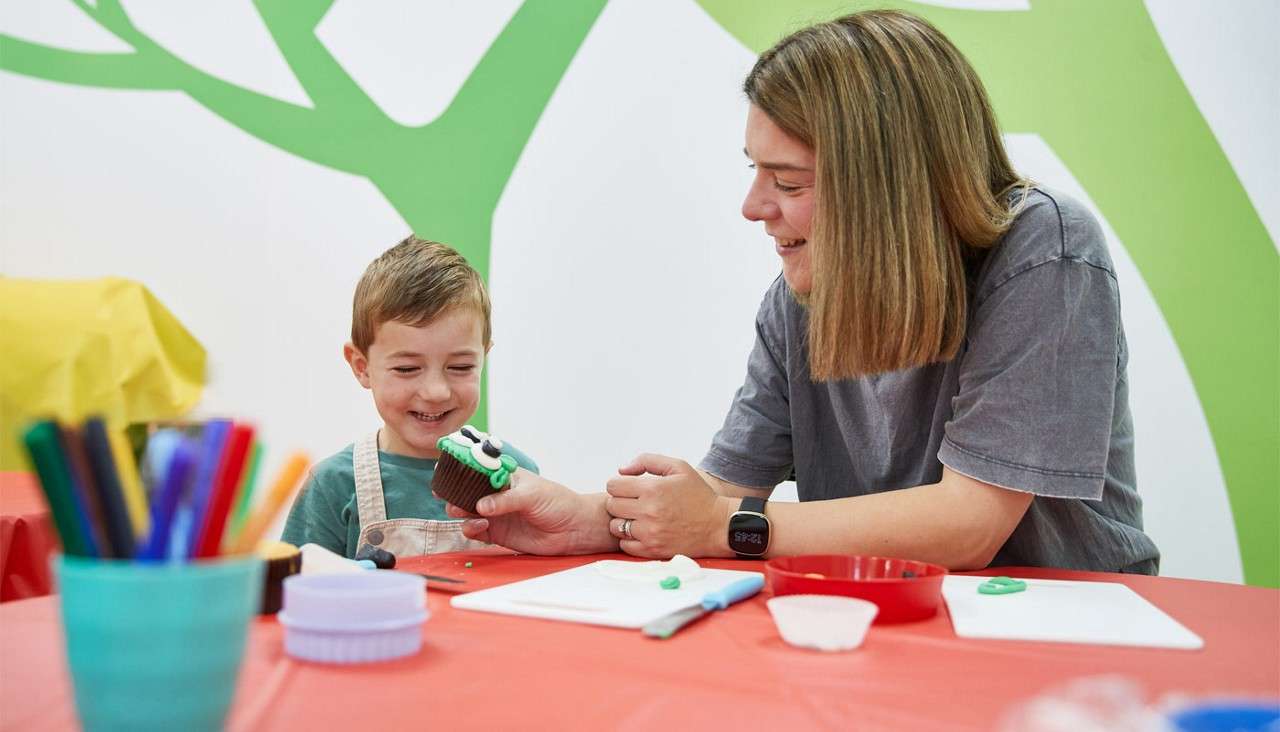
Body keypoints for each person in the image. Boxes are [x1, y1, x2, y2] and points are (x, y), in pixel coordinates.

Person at [447, 10, 1158, 573]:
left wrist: (730, 529)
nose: (753, 207)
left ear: (890, 190)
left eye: (788, 182)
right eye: (758, 172)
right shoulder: (795, 303)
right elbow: (725, 494)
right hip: (889, 625)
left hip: (1066, 634)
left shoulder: (1044, 248)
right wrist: (584, 517)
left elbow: (969, 525)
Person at [282, 236, 537, 558]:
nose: (436, 392)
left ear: (484, 358)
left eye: (460, 366)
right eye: (406, 368)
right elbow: (292, 595)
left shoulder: (519, 477)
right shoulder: (333, 485)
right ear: (362, 367)